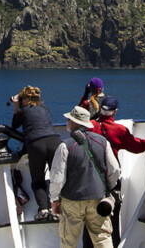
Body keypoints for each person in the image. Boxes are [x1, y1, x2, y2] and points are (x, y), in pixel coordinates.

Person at [50, 106, 121, 248]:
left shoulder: (65, 146)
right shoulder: (103, 142)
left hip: (72, 200)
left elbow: (58, 177)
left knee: (68, 241)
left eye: (69, 120)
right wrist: (108, 189)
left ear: (74, 123)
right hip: (98, 198)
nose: (67, 122)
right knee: (102, 238)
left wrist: (55, 199)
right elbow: (115, 170)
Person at [86, 96, 145, 247]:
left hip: (89, 180)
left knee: (88, 222)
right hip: (109, 180)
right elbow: (136, 147)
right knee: (112, 221)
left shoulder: (90, 126)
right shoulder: (119, 130)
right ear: (114, 112)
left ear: (101, 109)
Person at [11, 84, 62, 221]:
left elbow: (15, 124)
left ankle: (44, 209)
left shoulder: (24, 110)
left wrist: (16, 105)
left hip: (36, 143)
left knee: (38, 180)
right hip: (54, 141)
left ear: (25, 99)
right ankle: (56, 209)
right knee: (56, 178)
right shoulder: (44, 108)